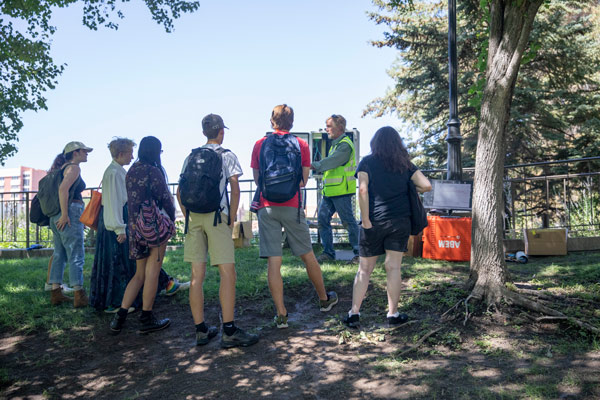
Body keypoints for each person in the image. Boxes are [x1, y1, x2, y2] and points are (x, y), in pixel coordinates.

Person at [251, 104, 338, 329]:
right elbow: (303, 181)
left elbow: (258, 178)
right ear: (292, 123)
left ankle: (281, 315)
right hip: (292, 205)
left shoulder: (260, 144)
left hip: (266, 206)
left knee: (274, 262)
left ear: (272, 121)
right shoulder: (300, 145)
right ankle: (324, 300)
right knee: (308, 255)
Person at [177, 114, 258, 348]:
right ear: (221, 131)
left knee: (196, 276)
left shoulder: (191, 156)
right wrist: (231, 217)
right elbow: (234, 186)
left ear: (204, 132)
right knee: (227, 273)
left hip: (194, 219)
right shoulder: (226, 155)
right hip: (217, 217)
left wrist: (186, 214)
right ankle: (229, 330)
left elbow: (180, 191)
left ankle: (201, 330)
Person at [342, 127, 431, 328]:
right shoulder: (405, 165)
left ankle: (354, 313)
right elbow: (426, 185)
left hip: (373, 221)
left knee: (364, 269)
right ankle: (392, 314)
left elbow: (362, 190)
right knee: (393, 267)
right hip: (399, 222)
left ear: (375, 144)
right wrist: (409, 186)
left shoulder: (367, 162)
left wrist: (365, 220)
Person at [90, 138, 187, 313]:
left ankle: (123, 309)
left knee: (133, 268)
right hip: (120, 223)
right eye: (129, 152)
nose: (131, 155)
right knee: (118, 264)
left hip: (129, 222)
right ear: (120, 153)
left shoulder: (127, 171)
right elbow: (113, 202)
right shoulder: (115, 173)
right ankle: (120, 305)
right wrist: (119, 227)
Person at [109, 136, 175, 335]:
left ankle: (119, 318)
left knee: (138, 275)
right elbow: (165, 197)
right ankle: (146, 317)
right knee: (152, 273)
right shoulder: (153, 170)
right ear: (155, 151)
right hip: (154, 228)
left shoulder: (132, 171)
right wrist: (171, 219)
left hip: (135, 227)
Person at [48, 141, 93, 307]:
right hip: (68, 213)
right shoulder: (74, 168)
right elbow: (63, 190)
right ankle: (79, 295)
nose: (87, 153)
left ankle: (56, 293)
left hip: (55, 216)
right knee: (76, 253)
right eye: (84, 151)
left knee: (59, 253)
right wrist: (66, 214)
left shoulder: (60, 169)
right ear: (75, 152)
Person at [311, 114, 360, 264]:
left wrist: (315, 165)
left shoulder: (345, 145)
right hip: (331, 191)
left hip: (341, 192)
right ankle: (328, 253)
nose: (327, 129)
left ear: (340, 128)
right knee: (322, 220)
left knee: (348, 222)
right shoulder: (336, 145)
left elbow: (332, 162)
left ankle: (360, 253)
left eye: (329, 126)